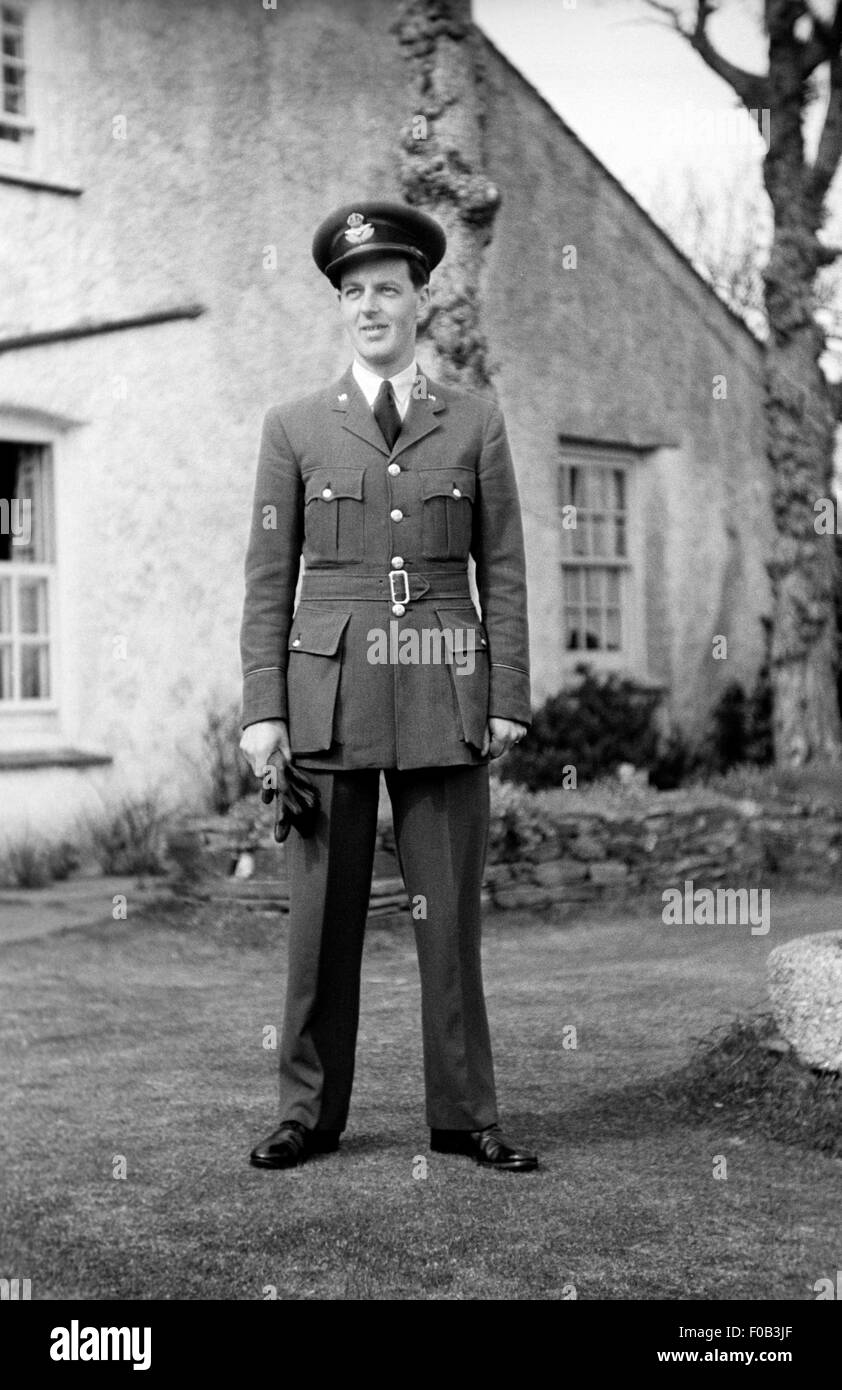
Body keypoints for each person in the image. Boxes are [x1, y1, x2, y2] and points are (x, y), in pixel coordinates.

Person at [239, 200, 537, 1172]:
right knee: (319, 927)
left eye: (387, 290)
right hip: (326, 697)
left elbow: (504, 567)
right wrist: (262, 711)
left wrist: (504, 694)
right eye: (353, 292)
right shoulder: (293, 427)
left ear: (421, 300)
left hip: (445, 690)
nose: (370, 306)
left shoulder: (476, 422)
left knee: (446, 918)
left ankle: (463, 1115)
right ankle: (305, 1115)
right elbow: (266, 579)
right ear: (342, 307)